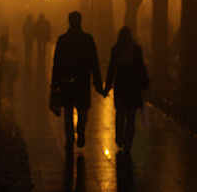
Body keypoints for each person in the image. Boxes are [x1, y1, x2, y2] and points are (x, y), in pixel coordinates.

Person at [51, 11, 104, 148]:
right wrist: (97, 80)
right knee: (83, 109)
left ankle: (69, 138)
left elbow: (57, 63)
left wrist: (54, 84)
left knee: (68, 110)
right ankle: (80, 131)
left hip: (67, 81)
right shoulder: (87, 39)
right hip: (82, 80)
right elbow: (94, 61)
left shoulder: (62, 40)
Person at [104, 26, 149, 151]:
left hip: (121, 86)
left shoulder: (116, 49)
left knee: (119, 114)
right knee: (131, 117)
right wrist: (145, 85)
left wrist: (107, 87)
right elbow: (141, 68)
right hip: (133, 87)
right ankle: (128, 143)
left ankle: (119, 139)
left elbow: (111, 69)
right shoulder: (136, 50)